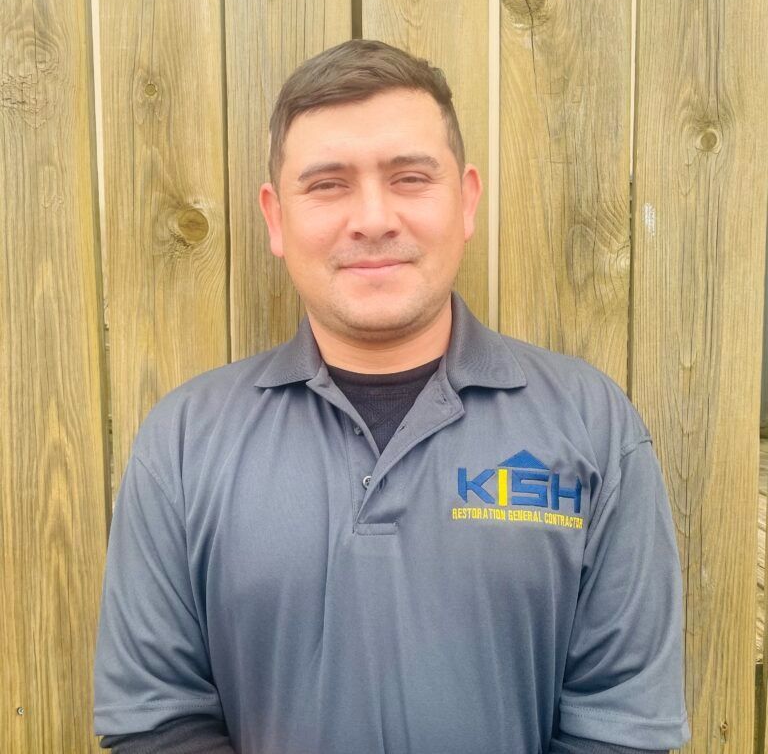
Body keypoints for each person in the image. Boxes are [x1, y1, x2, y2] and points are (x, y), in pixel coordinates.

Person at [93, 39, 691, 754]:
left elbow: (620, 727)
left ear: (465, 199)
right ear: (276, 217)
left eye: (410, 177)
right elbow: (157, 723)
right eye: (327, 184)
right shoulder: (184, 443)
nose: (373, 218)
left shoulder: (592, 428)